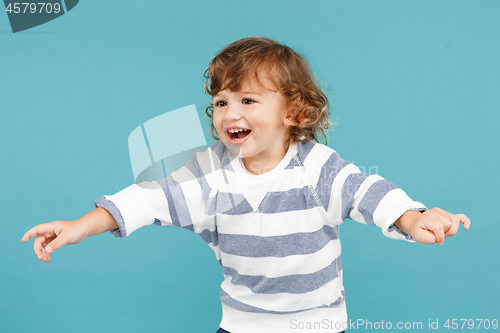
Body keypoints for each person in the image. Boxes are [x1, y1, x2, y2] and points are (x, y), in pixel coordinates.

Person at [22, 36, 471, 333]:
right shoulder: (208, 172)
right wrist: (82, 225)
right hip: (241, 325)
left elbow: (367, 193)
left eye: (248, 100)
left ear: (293, 112)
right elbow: (150, 198)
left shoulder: (317, 167)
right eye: (220, 101)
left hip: (317, 325)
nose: (229, 113)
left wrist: (414, 218)